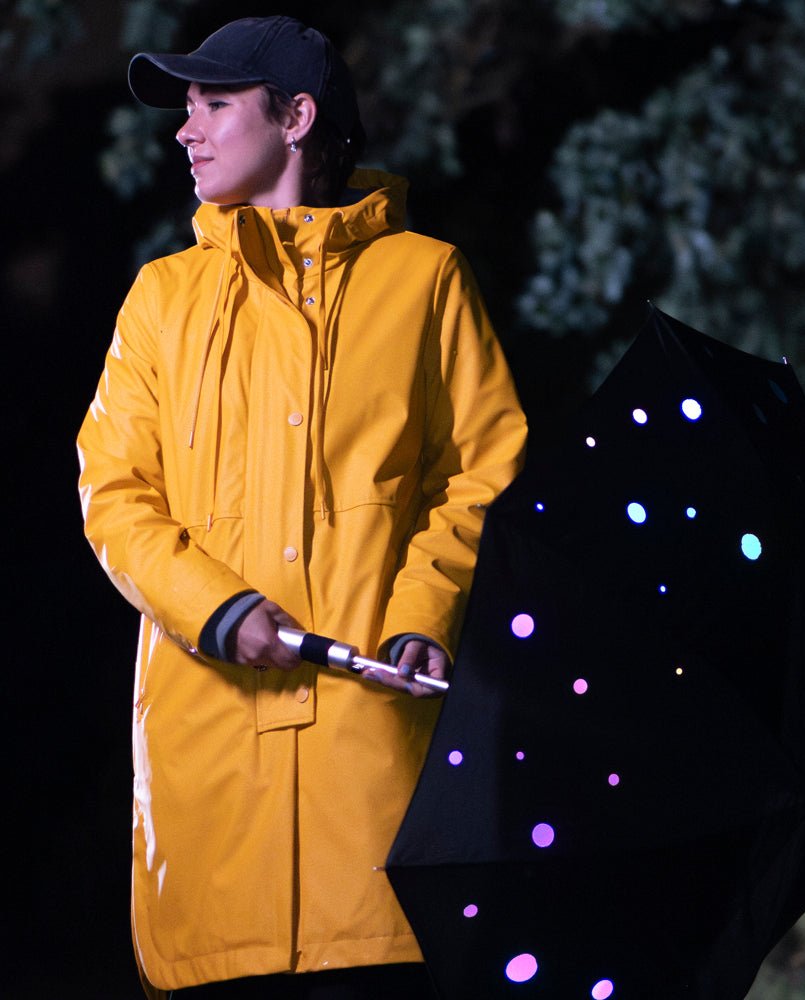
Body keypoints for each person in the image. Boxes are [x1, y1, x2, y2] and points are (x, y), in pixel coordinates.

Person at [77, 16, 527, 999]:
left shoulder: (426, 282)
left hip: (370, 801)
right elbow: (113, 494)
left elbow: (485, 473)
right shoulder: (161, 298)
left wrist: (423, 617)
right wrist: (220, 609)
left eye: (214, 105)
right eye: (184, 110)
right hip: (207, 810)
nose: (185, 131)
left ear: (297, 116)